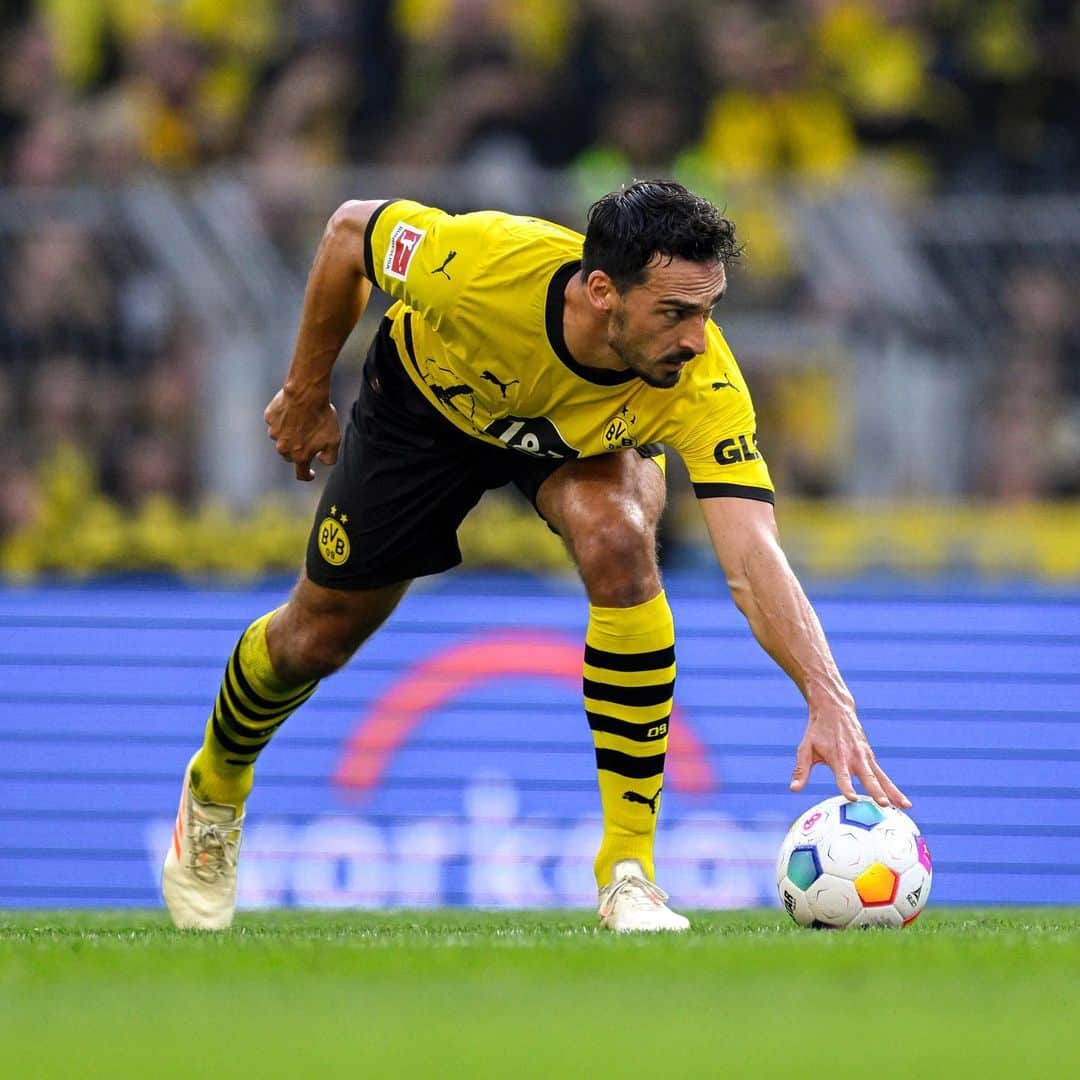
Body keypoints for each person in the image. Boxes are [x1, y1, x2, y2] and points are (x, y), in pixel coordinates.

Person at [162, 180, 909, 932]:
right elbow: (348, 233)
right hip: (426, 409)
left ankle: (628, 871)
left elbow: (753, 557)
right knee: (314, 638)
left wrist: (826, 694)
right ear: (601, 291)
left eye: (707, 312)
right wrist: (304, 389)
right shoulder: (481, 263)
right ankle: (217, 785)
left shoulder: (698, 381)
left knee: (619, 537)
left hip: (574, 443)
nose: (695, 338)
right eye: (675, 312)